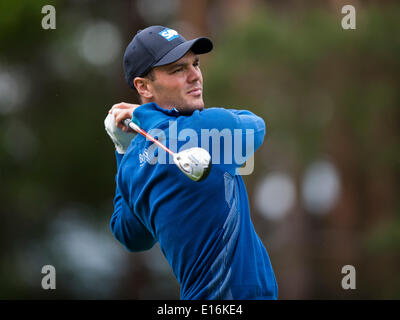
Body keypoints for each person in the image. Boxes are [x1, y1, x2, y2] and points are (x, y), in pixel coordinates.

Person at [104, 25, 278, 300]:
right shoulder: (204, 131)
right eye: (177, 70)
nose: (195, 75)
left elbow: (130, 236)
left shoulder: (133, 162)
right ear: (143, 86)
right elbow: (255, 126)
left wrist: (122, 148)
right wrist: (146, 118)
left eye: (195, 64)